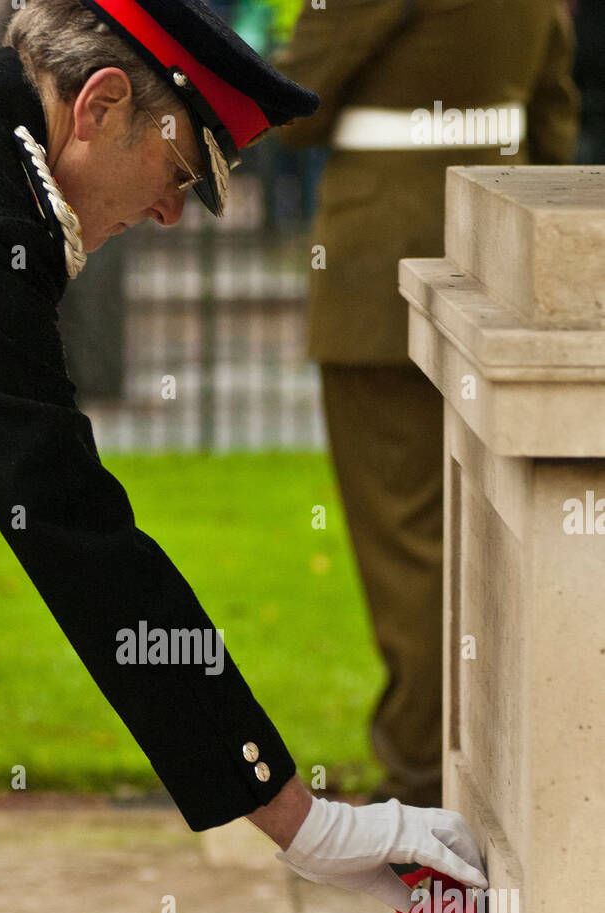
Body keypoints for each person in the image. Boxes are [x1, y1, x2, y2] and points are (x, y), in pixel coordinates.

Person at [0, 0, 488, 913]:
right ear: (102, 106)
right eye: (178, 172)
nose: (172, 213)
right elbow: (71, 528)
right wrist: (295, 814)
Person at [273, 0, 580, 808]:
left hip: (381, 281)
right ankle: (500, 764)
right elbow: (551, 125)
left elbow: (290, 107)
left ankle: (420, 777)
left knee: (408, 541)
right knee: (494, 535)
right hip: (497, 272)